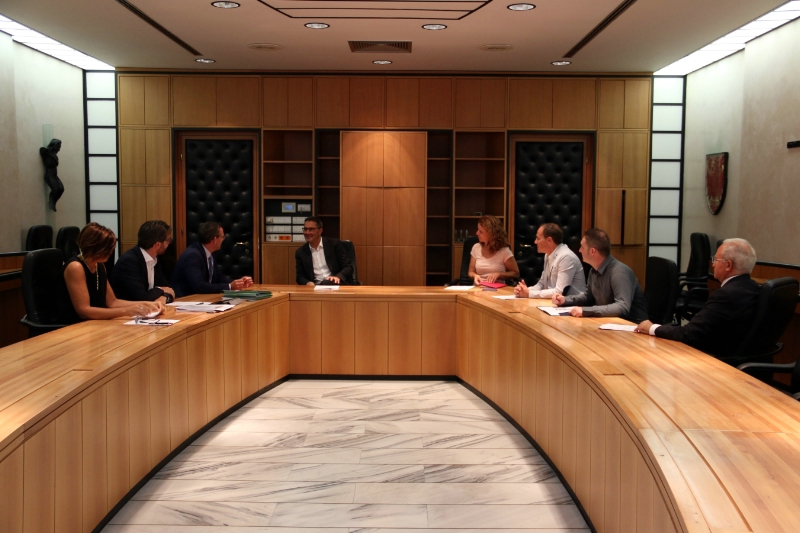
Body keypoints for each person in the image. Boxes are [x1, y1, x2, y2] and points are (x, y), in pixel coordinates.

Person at [635, 238, 761, 358]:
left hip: (717, 359)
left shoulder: (726, 295)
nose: (713, 264)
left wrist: (652, 328)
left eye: (716, 259)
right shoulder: (755, 288)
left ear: (728, 265)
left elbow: (689, 333)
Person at [62, 222, 162, 321]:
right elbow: (84, 311)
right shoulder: (75, 267)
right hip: (74, 324)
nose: (111, 251)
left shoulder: (99, 266)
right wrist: (126, 311)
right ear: (96, 247)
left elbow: (113, 302)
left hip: (94, 322)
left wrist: (146, 304)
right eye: (108, 248)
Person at [553, 228, 648, 322]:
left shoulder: (619, 272)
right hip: (608, 322)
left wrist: (587, 311)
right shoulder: (593, 270)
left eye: (582, 247)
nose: (580, 250)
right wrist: (565, 300)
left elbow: (622, 307)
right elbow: (588, 297)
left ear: (592, 251)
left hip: (632, 326)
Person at [171, 221, 253, 298]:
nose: (223, 240)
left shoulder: (210, 253)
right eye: (222, 237)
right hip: (185, 300)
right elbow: (199, 286)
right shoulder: (192, 255)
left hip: (200, 299)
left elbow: (219, 279)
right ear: (214, 240)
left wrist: (239, 282)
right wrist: (229, 287)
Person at [110, 220, 175, 304]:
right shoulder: (129, 261)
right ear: (157, 245)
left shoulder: (155, 259)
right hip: (127, 310)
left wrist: (164, 297)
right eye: (168, 240)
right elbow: (141, 297)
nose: (169, 243)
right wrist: (161, 290)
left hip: (147, 309)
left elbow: (169, 290)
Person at [515, 223, 586, 298]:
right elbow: (541, 284)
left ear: (549, 240)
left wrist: (529, 293)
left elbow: (559, 292)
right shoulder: (547, 255)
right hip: (555, 302)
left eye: (538, 238)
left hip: (573, 303)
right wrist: (524, 290)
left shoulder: (566, 257)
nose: (535, 242)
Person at [295, 216, 354, 285]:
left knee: (326, 282)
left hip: (336, 283)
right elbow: (300, 277)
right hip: (315, 287)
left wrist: (337, 277)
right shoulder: (300, 252)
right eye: (305, 229)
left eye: (311, 229)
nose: (307, 233)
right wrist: (308, 283)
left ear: (320, 231)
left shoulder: (334, 244)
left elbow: (348, 267)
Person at [467, 215, 520, 285]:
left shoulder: (504, 251)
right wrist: (475, 276)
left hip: (497, 289)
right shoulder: (476, 247)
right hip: (478, 287)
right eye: (478, 230)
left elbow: (516, 273)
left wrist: (499, 274)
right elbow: (471, 272)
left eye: (481, 231)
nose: (477, 233)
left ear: (491, 234)